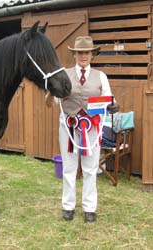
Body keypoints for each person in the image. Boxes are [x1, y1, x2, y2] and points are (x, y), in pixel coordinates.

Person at [59, 36, 118, 222]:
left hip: (92, 127)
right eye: (79, 53)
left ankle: (89, 208)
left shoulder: (101, 76)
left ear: (92, 55)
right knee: (69, 167)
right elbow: (54, 99)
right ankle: (68, 206)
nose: (83, 56)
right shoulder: (64, 74)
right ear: (74, 55)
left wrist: (112, 104)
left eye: (86, 52)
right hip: (68, 125)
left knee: (91, 168)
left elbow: (108, 97)